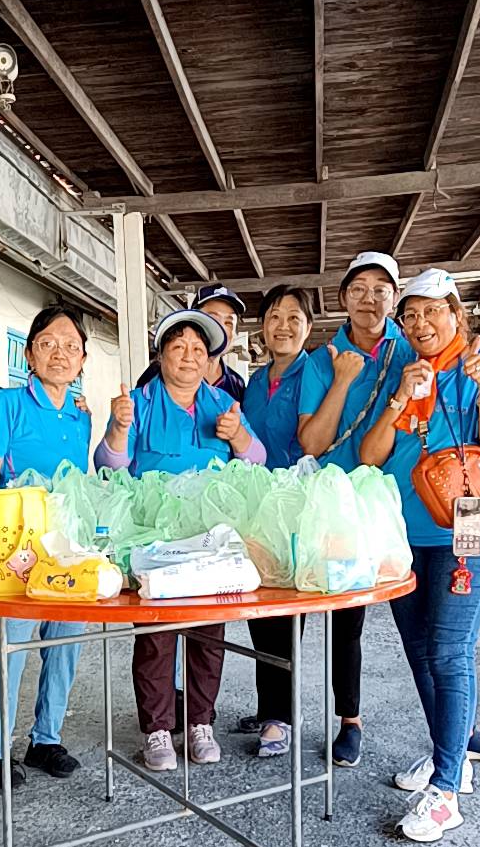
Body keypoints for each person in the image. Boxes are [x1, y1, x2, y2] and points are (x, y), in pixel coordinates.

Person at [359, 269, 480, 842]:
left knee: (450, 652)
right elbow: (371, 455)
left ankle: (447, 790)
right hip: (407, 538)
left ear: (456, 314)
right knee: (420, 653)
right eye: (411, 315)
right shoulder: (404, 373)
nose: (421, 323)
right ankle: (449, 753)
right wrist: (400, 397)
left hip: (471, 534)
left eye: (433, 311)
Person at [94, 308, 266, 772]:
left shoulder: (222, 403)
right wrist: (119, 428)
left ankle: (200, 723)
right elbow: (109, 467)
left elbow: (257, 461)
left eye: (198, 349)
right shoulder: (138, 403)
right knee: (157, 637)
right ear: (161, 355)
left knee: (209, 635)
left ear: (209, 359)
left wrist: (239, 436)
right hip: (156, 543)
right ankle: (156, 729)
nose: (189, 357)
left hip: (210, 541)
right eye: (178, 347)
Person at [297, 251, 413, 768]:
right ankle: (289, 714)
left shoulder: (410, 350)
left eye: (381, 289)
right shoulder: (322, 360)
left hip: (392, 501)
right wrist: (343, 379)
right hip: (333, 505)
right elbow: (311, 442)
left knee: (369, 622)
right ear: (343, 297)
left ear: (395, 297)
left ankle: (354, 721)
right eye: (359, 288)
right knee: (320, 611)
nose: (370, 299)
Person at [0, 304, 91, 794]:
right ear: (29, 355)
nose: (59, 354)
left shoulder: (80, 417)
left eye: (70, 346)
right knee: (9, 652)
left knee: (64, 648)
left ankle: (46, 739)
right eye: (48, 344)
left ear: (82, 359)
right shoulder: (7, 406)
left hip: (67, 550)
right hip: (14, 553)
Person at [237, 284, 312, 757]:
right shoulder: (255, 381)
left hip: (295, 508)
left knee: (285, 615)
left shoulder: (314, 372)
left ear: (308, 326)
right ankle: (272, 707)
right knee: (259, 610)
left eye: (293, 318)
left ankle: (281, 716)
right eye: (274, 317)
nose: (282, 326)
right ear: (262, 326)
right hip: (255, 508)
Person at [137, 283, 247, 403]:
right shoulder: (159, 373)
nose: (221, 328)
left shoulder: (236, 383)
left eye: (229, 323)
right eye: (213, 319)